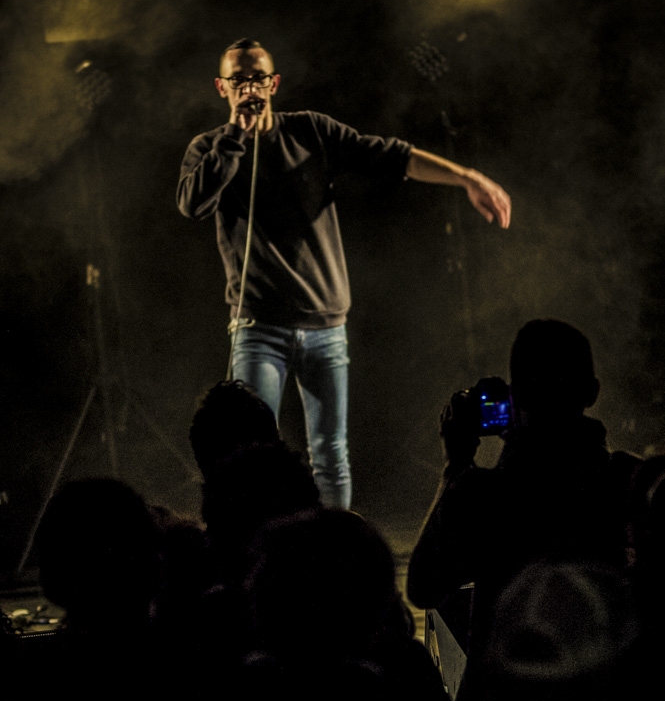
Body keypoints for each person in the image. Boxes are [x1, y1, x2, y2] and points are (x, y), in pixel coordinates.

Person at [177, 38, 511, 508]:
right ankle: (258, 545)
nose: (249, 88)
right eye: (239, 80)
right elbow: (192, 204)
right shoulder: (210, 147)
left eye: (258, 78)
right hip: (258, 328)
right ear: (222, 87)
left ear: (274, 83)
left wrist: (466, 177)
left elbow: (393, 155)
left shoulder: (311, 132)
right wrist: (235, 136)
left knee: (331, 454)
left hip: (326, 327)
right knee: (248, 452)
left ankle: (331, 545)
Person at [407, 319, 641, 660]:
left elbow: (422, 587)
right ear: (592, 392)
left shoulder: (482, 495)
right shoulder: (629, 481)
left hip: (508, 688)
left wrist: (455, 465)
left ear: (514, 396)